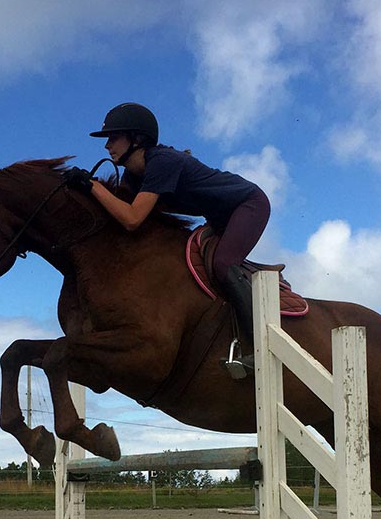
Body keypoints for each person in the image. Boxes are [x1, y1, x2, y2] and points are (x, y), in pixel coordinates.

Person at [69, 102, 271, 376]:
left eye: (113, 137)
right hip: (217, 217)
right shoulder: (132, 174)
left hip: (248, 205)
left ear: (137, 139)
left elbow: (132, 219)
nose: (107, 146)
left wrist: (91, 186)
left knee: (223, 264)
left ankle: (261, 348)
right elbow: (118, 213)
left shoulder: (161, 162)